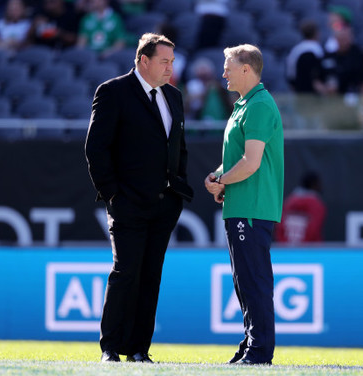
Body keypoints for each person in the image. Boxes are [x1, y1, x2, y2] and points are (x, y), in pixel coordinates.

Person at [85, 32, 193, 363]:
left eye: (172, 62)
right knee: (125, 272)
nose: (170, 68)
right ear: (143, 61)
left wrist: (177, 187)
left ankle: (138, 350)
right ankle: (110, 348)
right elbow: (95, 148)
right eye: (164, 61)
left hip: (164, 204)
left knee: (150, 276)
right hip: (128, 203)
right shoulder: (113, 91)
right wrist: (113, 195)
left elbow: (178, 147)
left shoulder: (173, 96)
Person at [204, 44, 284, 365]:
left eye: (228, 66)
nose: (223, 72)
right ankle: (253, 343)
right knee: (245, 282)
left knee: (254, 280)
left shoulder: (259, 105)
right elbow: (241, 161)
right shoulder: (244, 105)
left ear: (246, 69)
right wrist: (218, 175)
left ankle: (260, 349)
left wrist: (222, 181)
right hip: (242, 207)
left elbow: (251, 164)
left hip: (252, 208)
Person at [275, 172, 326, 244]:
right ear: (314, 185)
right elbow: (314, 229)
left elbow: (280, 228)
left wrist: (285, 247)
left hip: (287, 252)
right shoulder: (317, 205)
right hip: (309, 252)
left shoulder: (288, 202)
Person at [286, 19, 329, 95]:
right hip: (314, 95)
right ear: (317, 33)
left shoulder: (295, 50)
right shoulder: (317, 50)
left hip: (299, 93)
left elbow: (290, 75)